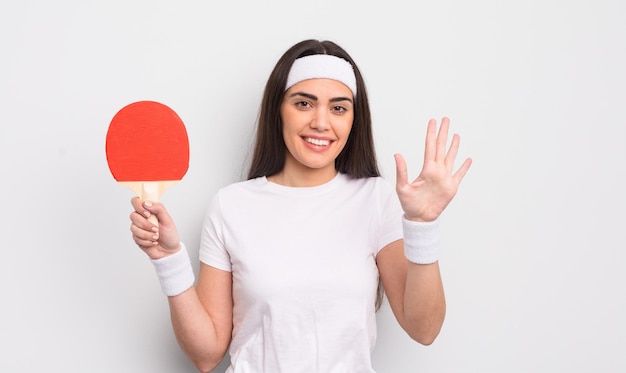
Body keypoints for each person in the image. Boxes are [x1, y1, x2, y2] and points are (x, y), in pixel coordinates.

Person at [129, 39, 472, 373]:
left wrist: (423, 224)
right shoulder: (231, 205)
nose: (321, 122)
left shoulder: (375, 199)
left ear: (354, 120)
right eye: (304, 103)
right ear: (278, 110)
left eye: (338, 107)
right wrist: (168, 261)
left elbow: (423, 329)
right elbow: (205, 356)